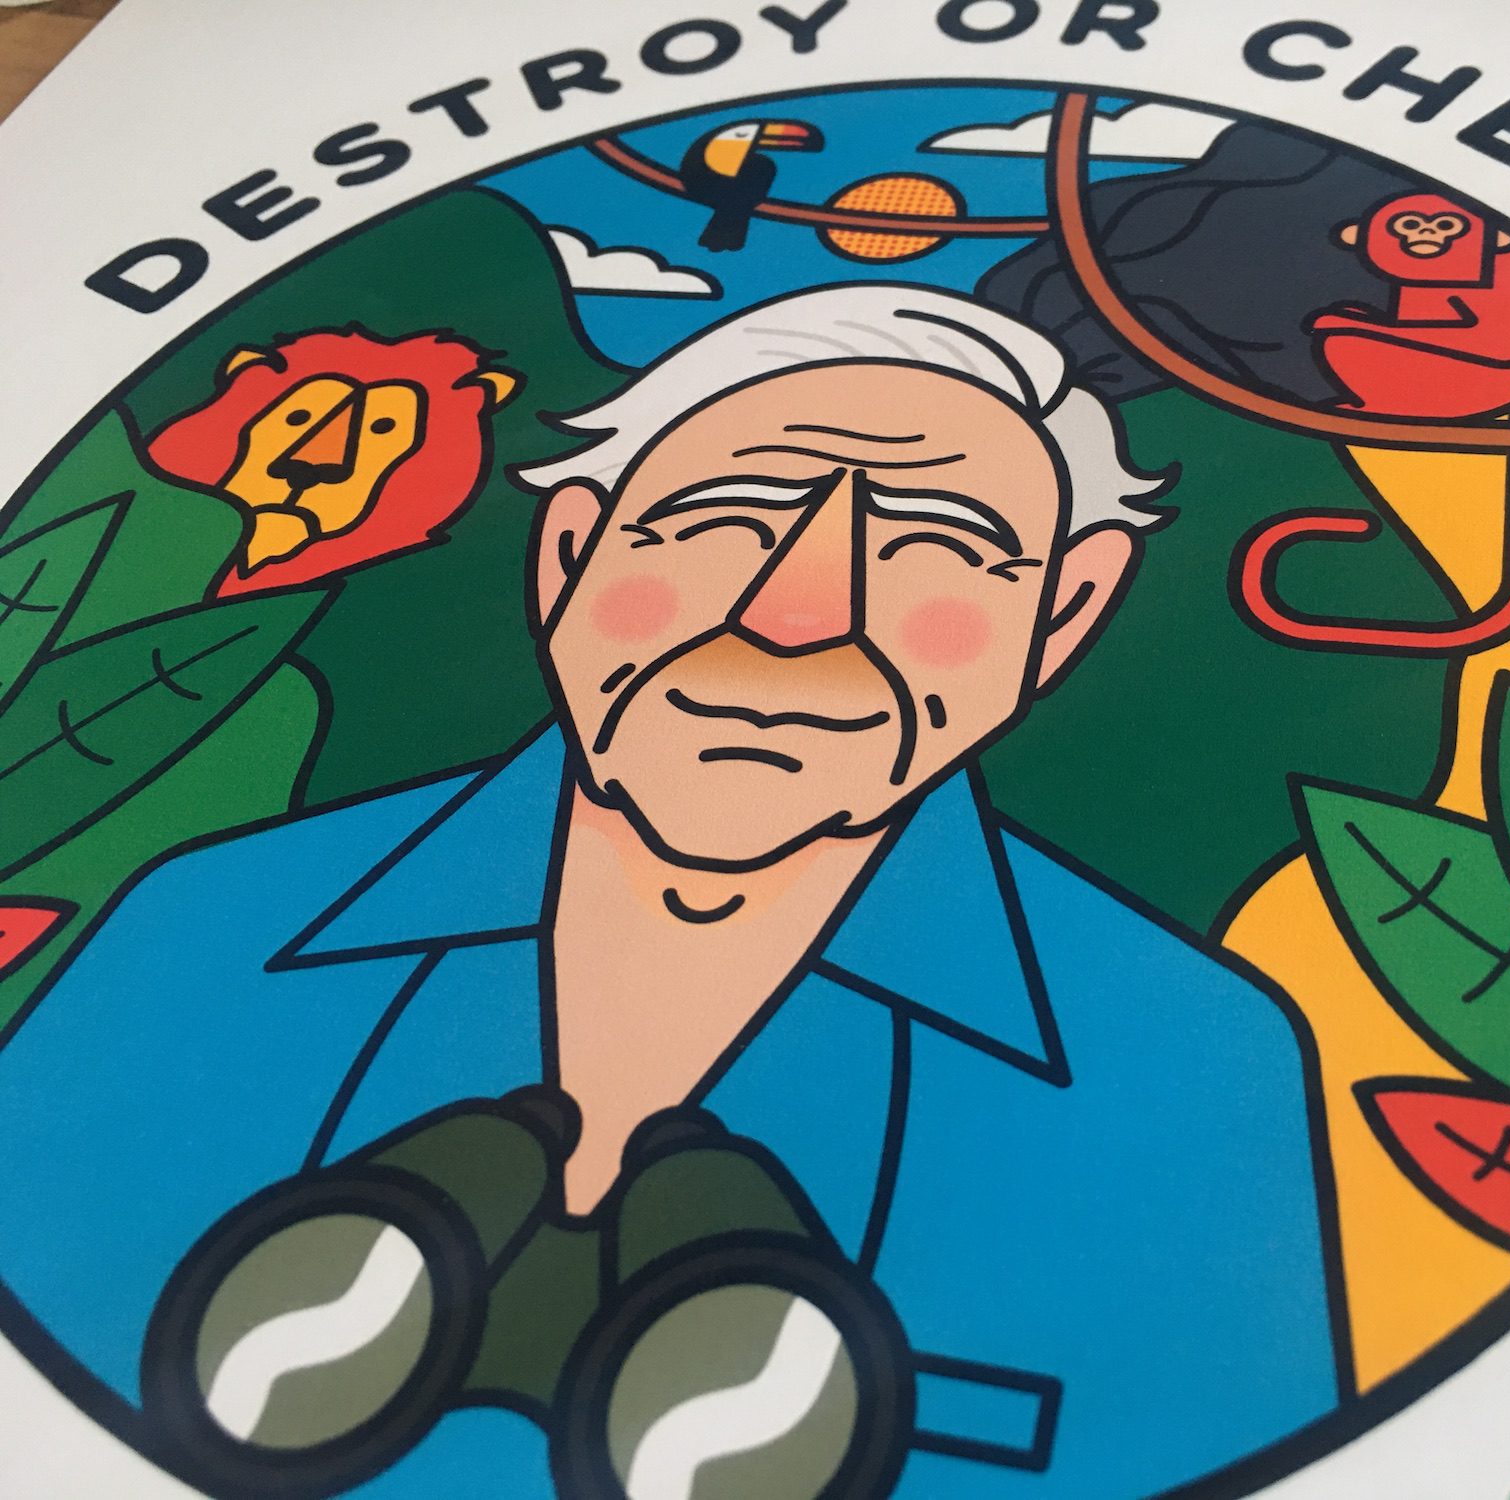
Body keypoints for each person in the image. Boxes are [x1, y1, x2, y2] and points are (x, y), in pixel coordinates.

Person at [0, 284, 1341, 1497]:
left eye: (934, 546)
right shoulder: (209, 927)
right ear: (570, 553)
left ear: (1066, 614)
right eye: (724, 521)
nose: (795, 613)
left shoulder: (1181, 1059)